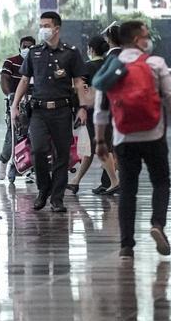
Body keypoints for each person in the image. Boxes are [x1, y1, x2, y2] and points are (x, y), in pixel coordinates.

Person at [94, 20, 171, 258]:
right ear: (137, 40)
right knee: (161, 181)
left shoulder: (111, 65)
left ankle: (127, 244)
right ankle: (157, 224)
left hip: (123, 137)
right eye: (146, 35)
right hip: (154, 135)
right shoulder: (155, 63)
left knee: (128, 189)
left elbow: (101, 109)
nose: (149, 39)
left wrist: (99, 141)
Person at [10, 11, 91, 213]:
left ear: (56, 28)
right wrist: (14, 105)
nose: (42, 29)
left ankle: (57, 198)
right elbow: (24, 80)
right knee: (37, 150)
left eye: (46, 25)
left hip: (62, 110)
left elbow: (79, 82)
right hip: (38, 111)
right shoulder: (35, 53)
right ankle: (43, 189)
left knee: (62, 155)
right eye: (41, 25)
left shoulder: (70, 53)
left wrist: (82, 107)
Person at [68, 34, 116, 195]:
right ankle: (75, 182)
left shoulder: (87, 67)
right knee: (89, 149)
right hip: (109, 109)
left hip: (92, 111)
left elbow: (79, 89)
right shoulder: (109, 65)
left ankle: (115, 181)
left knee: (100, 146)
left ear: (91, 49)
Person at [0, 35, 36, 181]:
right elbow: (4, 80)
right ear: (20, 47)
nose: (27, 49)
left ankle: (28, 168)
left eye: (30, 47)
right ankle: (3, 161)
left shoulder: (36, 62)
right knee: (13, 135)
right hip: (16, 103)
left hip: (33, 103)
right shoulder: (11, 62)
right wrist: (11, 96)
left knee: (32, 136)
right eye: (24, 46)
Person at [93, 22, 123, 196]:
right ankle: (111, 181)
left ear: (110, 40)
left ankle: (114, 181)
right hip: (124, 109)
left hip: (109, 109)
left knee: (103, 145)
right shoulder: (127, 57)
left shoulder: (109, 59)